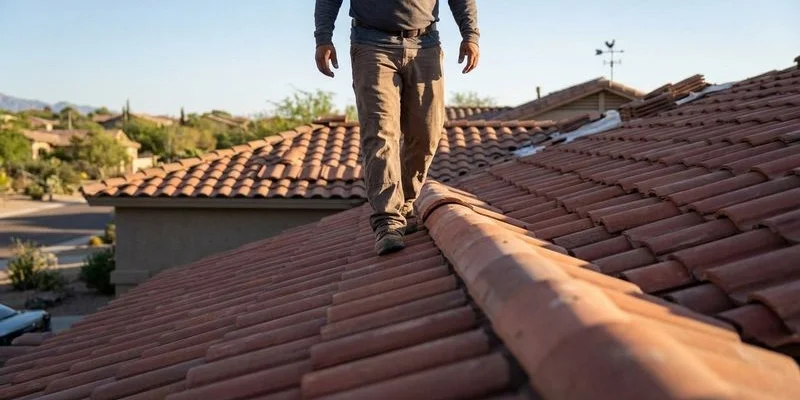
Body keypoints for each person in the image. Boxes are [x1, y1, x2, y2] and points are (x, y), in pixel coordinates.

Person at [314, 0, 480, 256]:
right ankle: (387, 220)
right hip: (371, 45)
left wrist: (470, 35)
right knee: (381, 132)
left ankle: (404, 206)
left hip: (426, 44)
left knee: (427, 133)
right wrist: (323, 38)